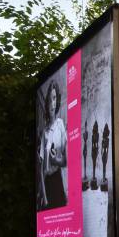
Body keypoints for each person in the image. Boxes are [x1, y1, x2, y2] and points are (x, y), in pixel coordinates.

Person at [39, 80, 67, 210]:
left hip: (57, 179)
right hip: (47, 182)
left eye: (54, 98)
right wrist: (44, 197)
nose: (52, 103)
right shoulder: (44, 133)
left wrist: (56, 160)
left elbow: (66, 161)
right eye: (49, 100)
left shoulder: (60, 125)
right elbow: (41, 170)